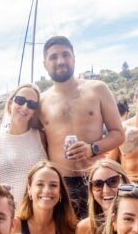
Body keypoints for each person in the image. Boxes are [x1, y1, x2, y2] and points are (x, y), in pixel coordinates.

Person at [38, 36, 125, 218]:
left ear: (74, 58)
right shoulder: (41, 101)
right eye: (53, 57)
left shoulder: (97, 89)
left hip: (96, 180)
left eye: (65, 55)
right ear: (45, 63)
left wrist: (92, 148)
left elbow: (118, 134)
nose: (60, 61)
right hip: (60, 184)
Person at [0, 83, 47, 204]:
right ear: (10, 103)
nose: (25, 107)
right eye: (20, 100)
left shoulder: (42, 137)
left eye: (32, 104)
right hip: (8, 215)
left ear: (34, 111)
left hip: (38, 215)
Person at [75, 159, 130, 234]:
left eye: (113, 181)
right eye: (98, 184)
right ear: (91, 191)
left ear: (125, 182)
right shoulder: (85, 229)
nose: (105, 190)